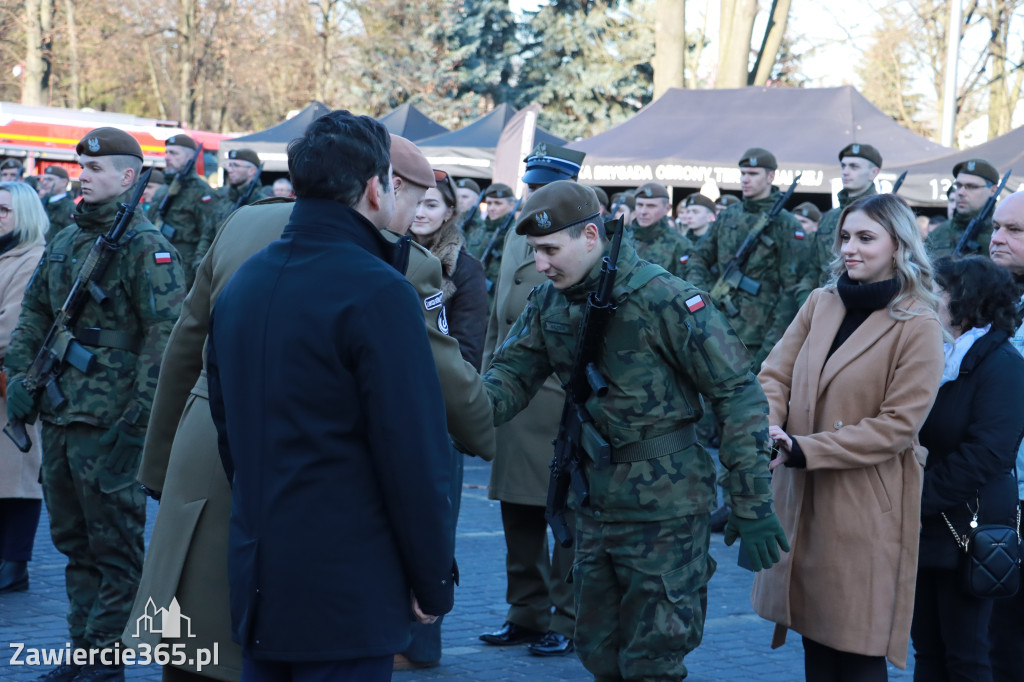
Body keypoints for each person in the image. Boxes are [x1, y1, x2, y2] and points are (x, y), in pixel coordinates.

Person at [124, 132, 494, 681]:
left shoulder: (243, 226)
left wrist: (158, 466)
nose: (414, 218)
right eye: (413, 202)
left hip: (211, 468)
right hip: (327, 516)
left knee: (197, 653)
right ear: (382, 188)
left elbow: (186, 349)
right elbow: (429, 412)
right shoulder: (397, 268)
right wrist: (494, 424)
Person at [483, 180, 787, 680]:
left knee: (653, 662)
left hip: (666, 514)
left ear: (589, 235)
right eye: (536, 251)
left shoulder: (665, 298)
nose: (541, 264)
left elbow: (738, 394)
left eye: (550, 250)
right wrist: (443, 396)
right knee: (597, 651)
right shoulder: (549, 304)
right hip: (594, 508)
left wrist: (750, 503)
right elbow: (506, 381)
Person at [206, 109, 456, 682]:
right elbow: (412, 454)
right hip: (347, 585)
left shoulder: (246, 281)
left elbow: (231, 437)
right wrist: (431, 577)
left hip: (261, 576)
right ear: (376, 188)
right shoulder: (379, 292)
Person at [5, 127, 186, 682]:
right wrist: (18, 375)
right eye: (82, 168)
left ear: (129, 178)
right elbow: (36, 310)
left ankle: (105, 659)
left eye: (98, 169)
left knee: (116, 548)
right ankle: (83, 649)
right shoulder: (67, 239)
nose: (84, 176)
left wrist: (140, 422)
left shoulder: (146, 248)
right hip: (60, 415)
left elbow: (167, 340)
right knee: (73, 544)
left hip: (112, 423)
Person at [753, 192, 945, 680]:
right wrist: (772, 424)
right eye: (845, 237)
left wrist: (805, 449)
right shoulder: (823, 301)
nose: (850, 248)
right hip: (801, 493)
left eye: (865, 238)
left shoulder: (919, 323)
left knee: (857, 647)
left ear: (899, 245)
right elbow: (774, 374)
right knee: (815, 640)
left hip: (864, 504)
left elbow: (898, 425)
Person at [478, 146, 587, 659]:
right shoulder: (518, 239)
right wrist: (482, 381)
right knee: (517, 515)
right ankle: (525, 613)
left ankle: (567, 618)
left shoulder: (585, 241)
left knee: (562, 514)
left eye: (542, 187)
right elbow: (499, 322)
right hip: (515, 397)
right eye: (530, 185)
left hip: (561, 400)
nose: (530, 194)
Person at [911, 255, 1024, 682]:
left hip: (969, 528)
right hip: (928, 525)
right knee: (928, 649)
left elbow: (989, 454)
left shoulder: (1004, 365)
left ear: (967, 302)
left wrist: (915, 496)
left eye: (937, 291)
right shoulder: (935, 355)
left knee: (969, 654)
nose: (926, 299)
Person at [686, 147, 802, 370]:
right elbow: (698, 258)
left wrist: (773, 344)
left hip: (759, 338)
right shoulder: (728, 215)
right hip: (716, 328)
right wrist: (705, 296)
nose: (745, 180)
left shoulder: (787, 224)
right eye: (743, 173)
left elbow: (791, 290)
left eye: (753, 174)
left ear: (771, 176)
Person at [0, 182, 46, 594]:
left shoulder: (30, 259)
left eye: (3, 210)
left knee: (16, 477)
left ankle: (14, 564)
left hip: (12, 381)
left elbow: (12, 327)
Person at [986, 189, 1024, 682]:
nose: (998, 238)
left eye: (1015, 231)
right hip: (991, 494)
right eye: (997, 226)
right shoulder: (988, 294)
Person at [410, 170, 488, 368]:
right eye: (416, 202)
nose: (419, 213)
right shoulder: (389, 252)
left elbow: (467, 350)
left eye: (431, 205)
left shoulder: (466, 269)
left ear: (449, 212)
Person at [797, 143, 882, 303]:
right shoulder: (829, 218)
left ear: (873, 172)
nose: (845, 172)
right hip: (824, 306)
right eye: (843, 166)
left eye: (854, 166)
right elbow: (813, 270)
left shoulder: (885, 215)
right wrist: (806, 303)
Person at [146, 134, 218, 287]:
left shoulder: (201, 191)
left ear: (190, 157)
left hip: (184, 269)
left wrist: (198, 271)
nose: (167, 157)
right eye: (167, 152)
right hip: (156, 261)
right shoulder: (162, 191)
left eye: (174, 153)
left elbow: (208, 235)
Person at [926, 159, 1001, 258]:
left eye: (971, 186)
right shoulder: (938, 233)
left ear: (993, 191)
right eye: (958, 185)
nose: (961, 192)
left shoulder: (1003, 233)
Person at [629, 181, 692, 278]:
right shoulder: (625, 239)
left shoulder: (680, 244)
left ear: (667, 208)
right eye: (640, 205)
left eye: (651, 206)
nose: (643, 211)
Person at [37, 166, 77, 240]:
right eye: (44, 179)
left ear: (64, 182)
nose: (45, 183)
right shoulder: (44, 202)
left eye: (50, 179)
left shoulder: (70, 208)